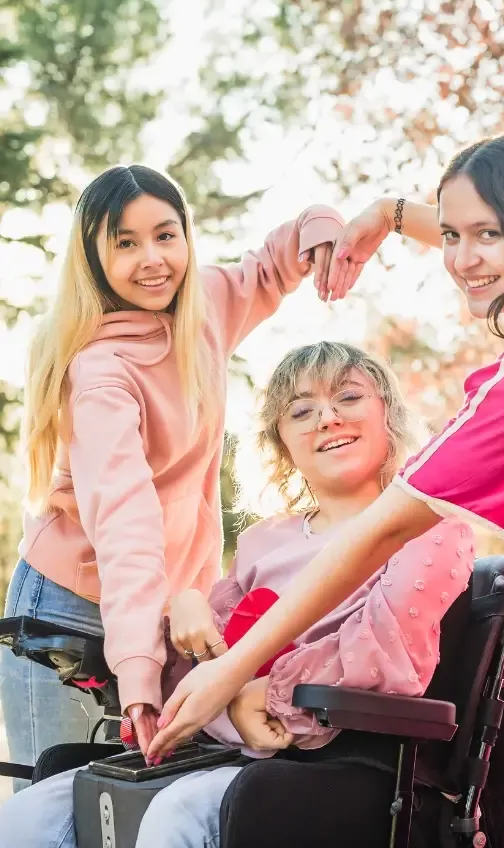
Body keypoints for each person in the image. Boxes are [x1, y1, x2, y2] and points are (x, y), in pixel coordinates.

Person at [148, 132, 504, 847]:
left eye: (486, 235)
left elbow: (378, 533)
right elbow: (489, 233)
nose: (460, 258)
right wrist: (389, 214)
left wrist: (230, 670)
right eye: (448, 235)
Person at [0, 340, 475, 848]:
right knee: (29, 813)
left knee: (177, 814)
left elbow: (385, 653)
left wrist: (266, 694)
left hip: (344, 759)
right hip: (228, 748)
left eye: (349, 398)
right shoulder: (263, 542)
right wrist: (183, 609)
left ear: (389, 414)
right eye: (302, 411)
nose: (328, 419)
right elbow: (204, 662)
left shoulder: (430, 528)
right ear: (281, 443)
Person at [0, 163, 359, 785]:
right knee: (57, 801)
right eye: (126, 243)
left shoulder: (203, 310)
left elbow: (270, 267)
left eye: (166, 235)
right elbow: (125, 520)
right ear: (93, 258)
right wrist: (138, 669)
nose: (153, 259)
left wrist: (320, 232)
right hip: (70, 609)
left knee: (144, 802)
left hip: (168, 610)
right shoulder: (100, 373)